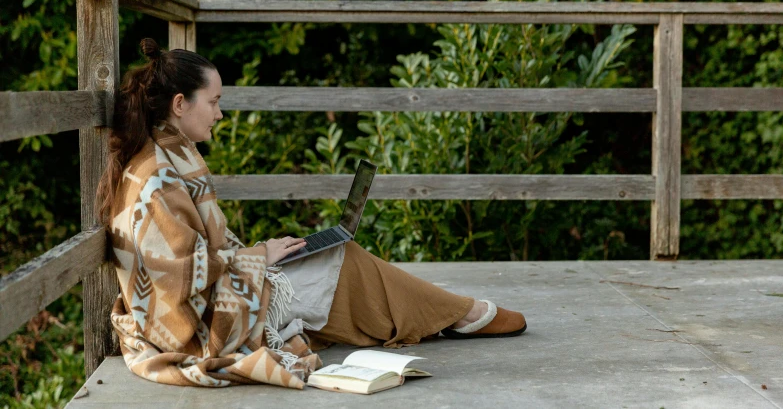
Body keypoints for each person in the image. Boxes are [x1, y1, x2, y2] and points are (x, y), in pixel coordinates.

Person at [96, 38, 527, 390]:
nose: (220, 112)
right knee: (341, 261)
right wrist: (258, 257)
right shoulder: (157, 178)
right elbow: (175, 276)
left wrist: (259, 255)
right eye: (214, 101)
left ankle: (449, 314)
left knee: (328, 258)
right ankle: (460, 315)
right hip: (199, 328)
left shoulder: (169, 156)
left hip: (212, 298)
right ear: (179, 104)